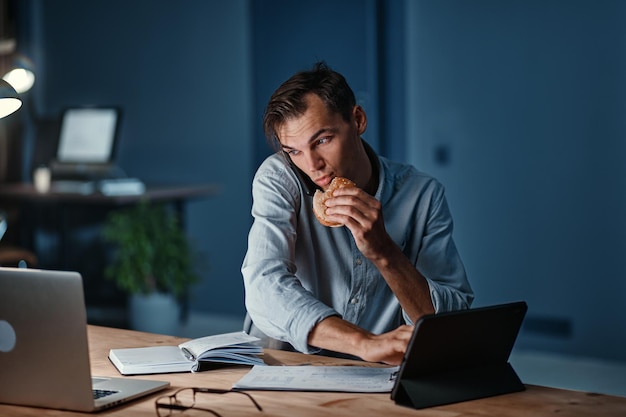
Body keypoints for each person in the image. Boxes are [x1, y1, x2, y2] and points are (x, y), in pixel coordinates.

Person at [242, 62, 473, 365]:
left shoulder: (423, 196)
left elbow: (450, 325)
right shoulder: (279, 178)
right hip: (279, 366)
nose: (312, 166)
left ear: (358, 120)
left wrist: (384, 252)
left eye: (322, 140)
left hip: (373, 377)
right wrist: (364, 343)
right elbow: (264, 287)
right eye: (294, 150)